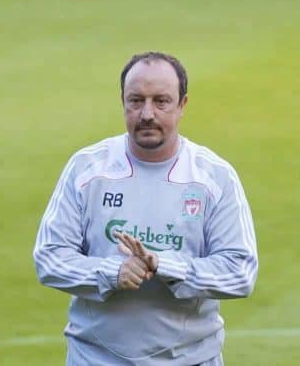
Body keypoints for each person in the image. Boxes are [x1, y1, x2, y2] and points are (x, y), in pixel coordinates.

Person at [33, 51, 258, 365]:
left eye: (161, 101)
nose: (147, 113)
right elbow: (49, 258)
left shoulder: (214, 177)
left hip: (190, 359)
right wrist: (114, 271)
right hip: (95, 358)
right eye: (136, 100)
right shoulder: (87, 169)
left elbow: (240, 272)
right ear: (122, 102)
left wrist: (164, 266)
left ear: (183, 105)